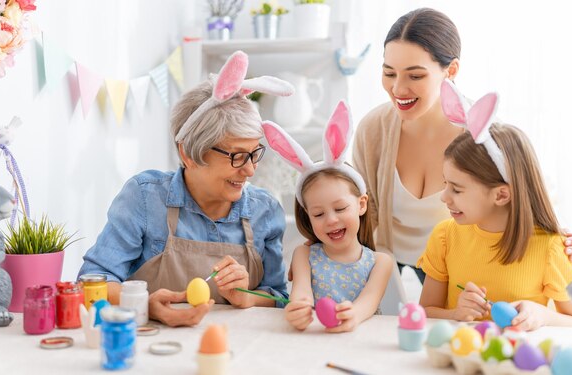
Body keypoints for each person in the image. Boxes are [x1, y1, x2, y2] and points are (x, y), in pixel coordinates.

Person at [352, 8, 572, 284]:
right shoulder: (372, 130)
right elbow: (363, 211)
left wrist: (560, 239)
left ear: (452, 71)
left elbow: (524, 195)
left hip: (455, 266)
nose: (398, 89)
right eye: (389, 73)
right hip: (387, 257)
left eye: (415, 76)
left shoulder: (483, 134)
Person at [78, 51, 294, 327]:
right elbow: (91, 282)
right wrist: (146, 304)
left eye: (254, 154)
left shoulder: (265, 210)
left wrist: (247, 297)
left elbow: (277, 297)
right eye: (236, 156)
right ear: (189, 153)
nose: (250, 170)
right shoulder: (145, 198)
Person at [418, 82, 572, 331]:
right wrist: (455, 313)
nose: (444, 197)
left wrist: (543, 315)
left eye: (457, 189)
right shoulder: (445, 236)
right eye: (445, 183)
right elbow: (424, 312)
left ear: (501, 195)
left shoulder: (552, 248)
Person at [264, 101, 392, 333]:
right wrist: (298, 310)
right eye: (319, 214)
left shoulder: (381, 262)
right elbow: (301, 295)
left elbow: (367, 304)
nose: (331, 220)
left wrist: (353, 316)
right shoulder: (303, 254)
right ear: (308, 217)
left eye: (341, 208)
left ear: (361, 204)